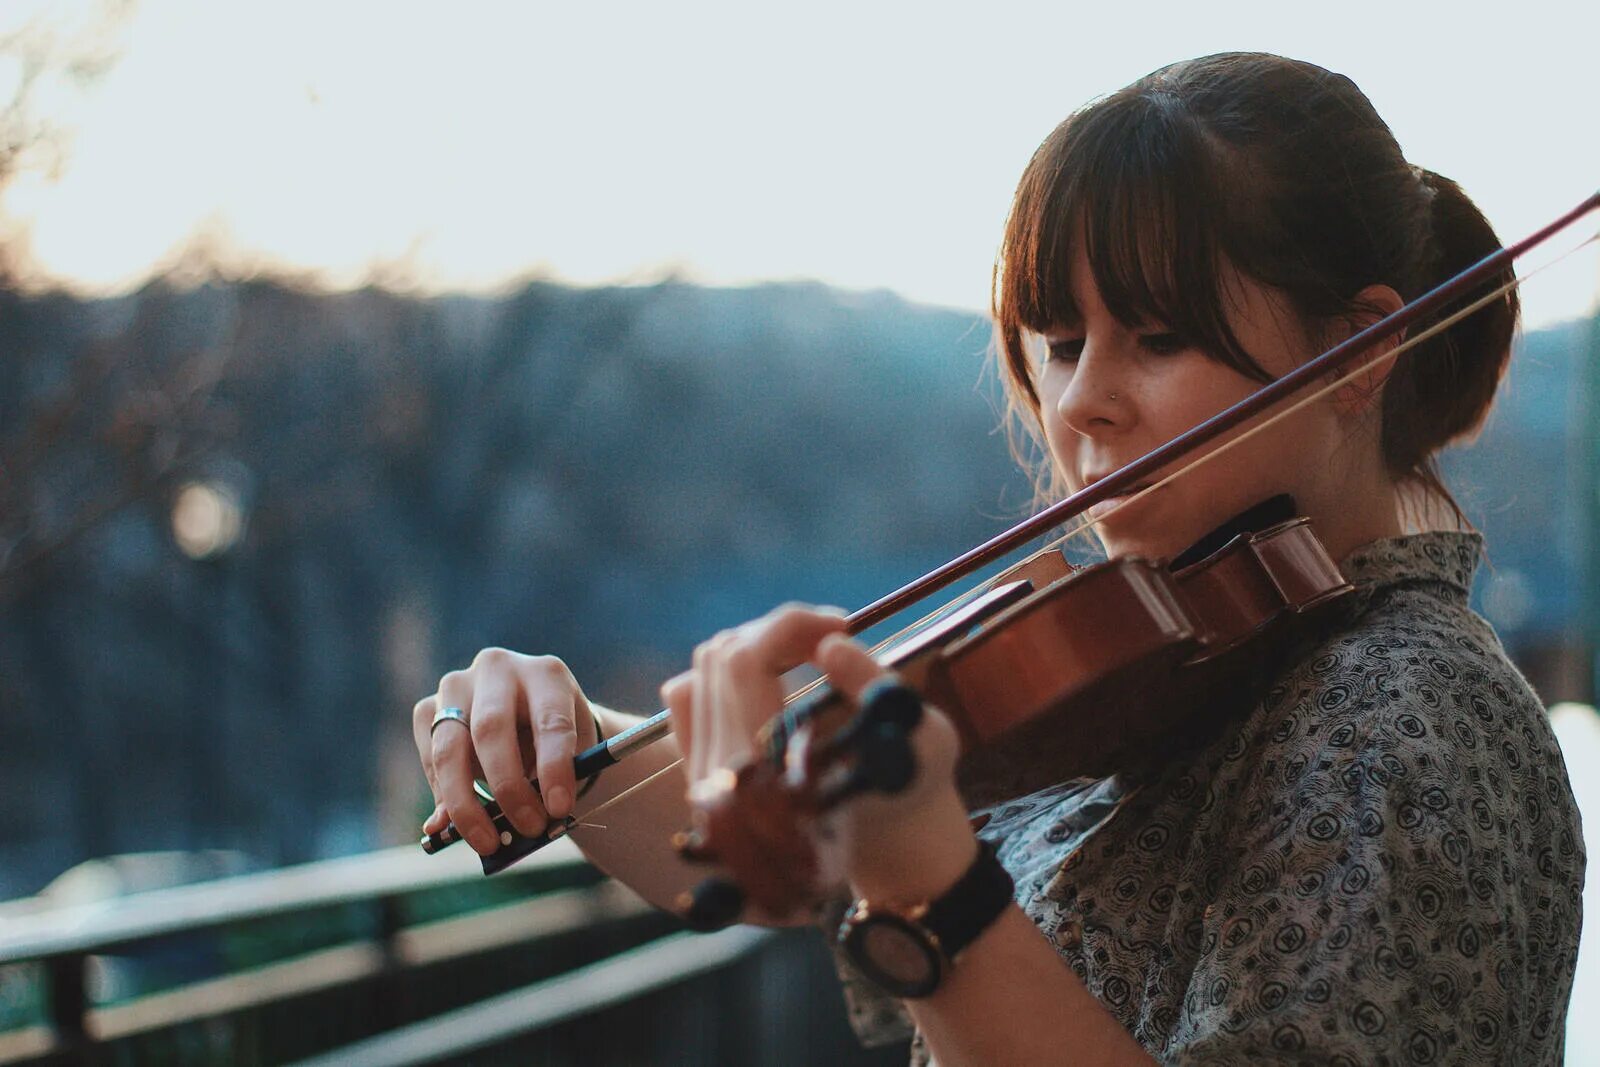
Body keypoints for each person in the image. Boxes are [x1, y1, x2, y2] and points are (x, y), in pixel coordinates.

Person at [411, 52, 1583, 1065]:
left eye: (1157, 337)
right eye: (1061, 343)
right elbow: (753, 862)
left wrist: (933, 892)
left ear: (1354, 351)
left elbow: (916, 894)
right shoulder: (1181, 664)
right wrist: (573, 746)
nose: (1081, 405)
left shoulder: (1405, 714)